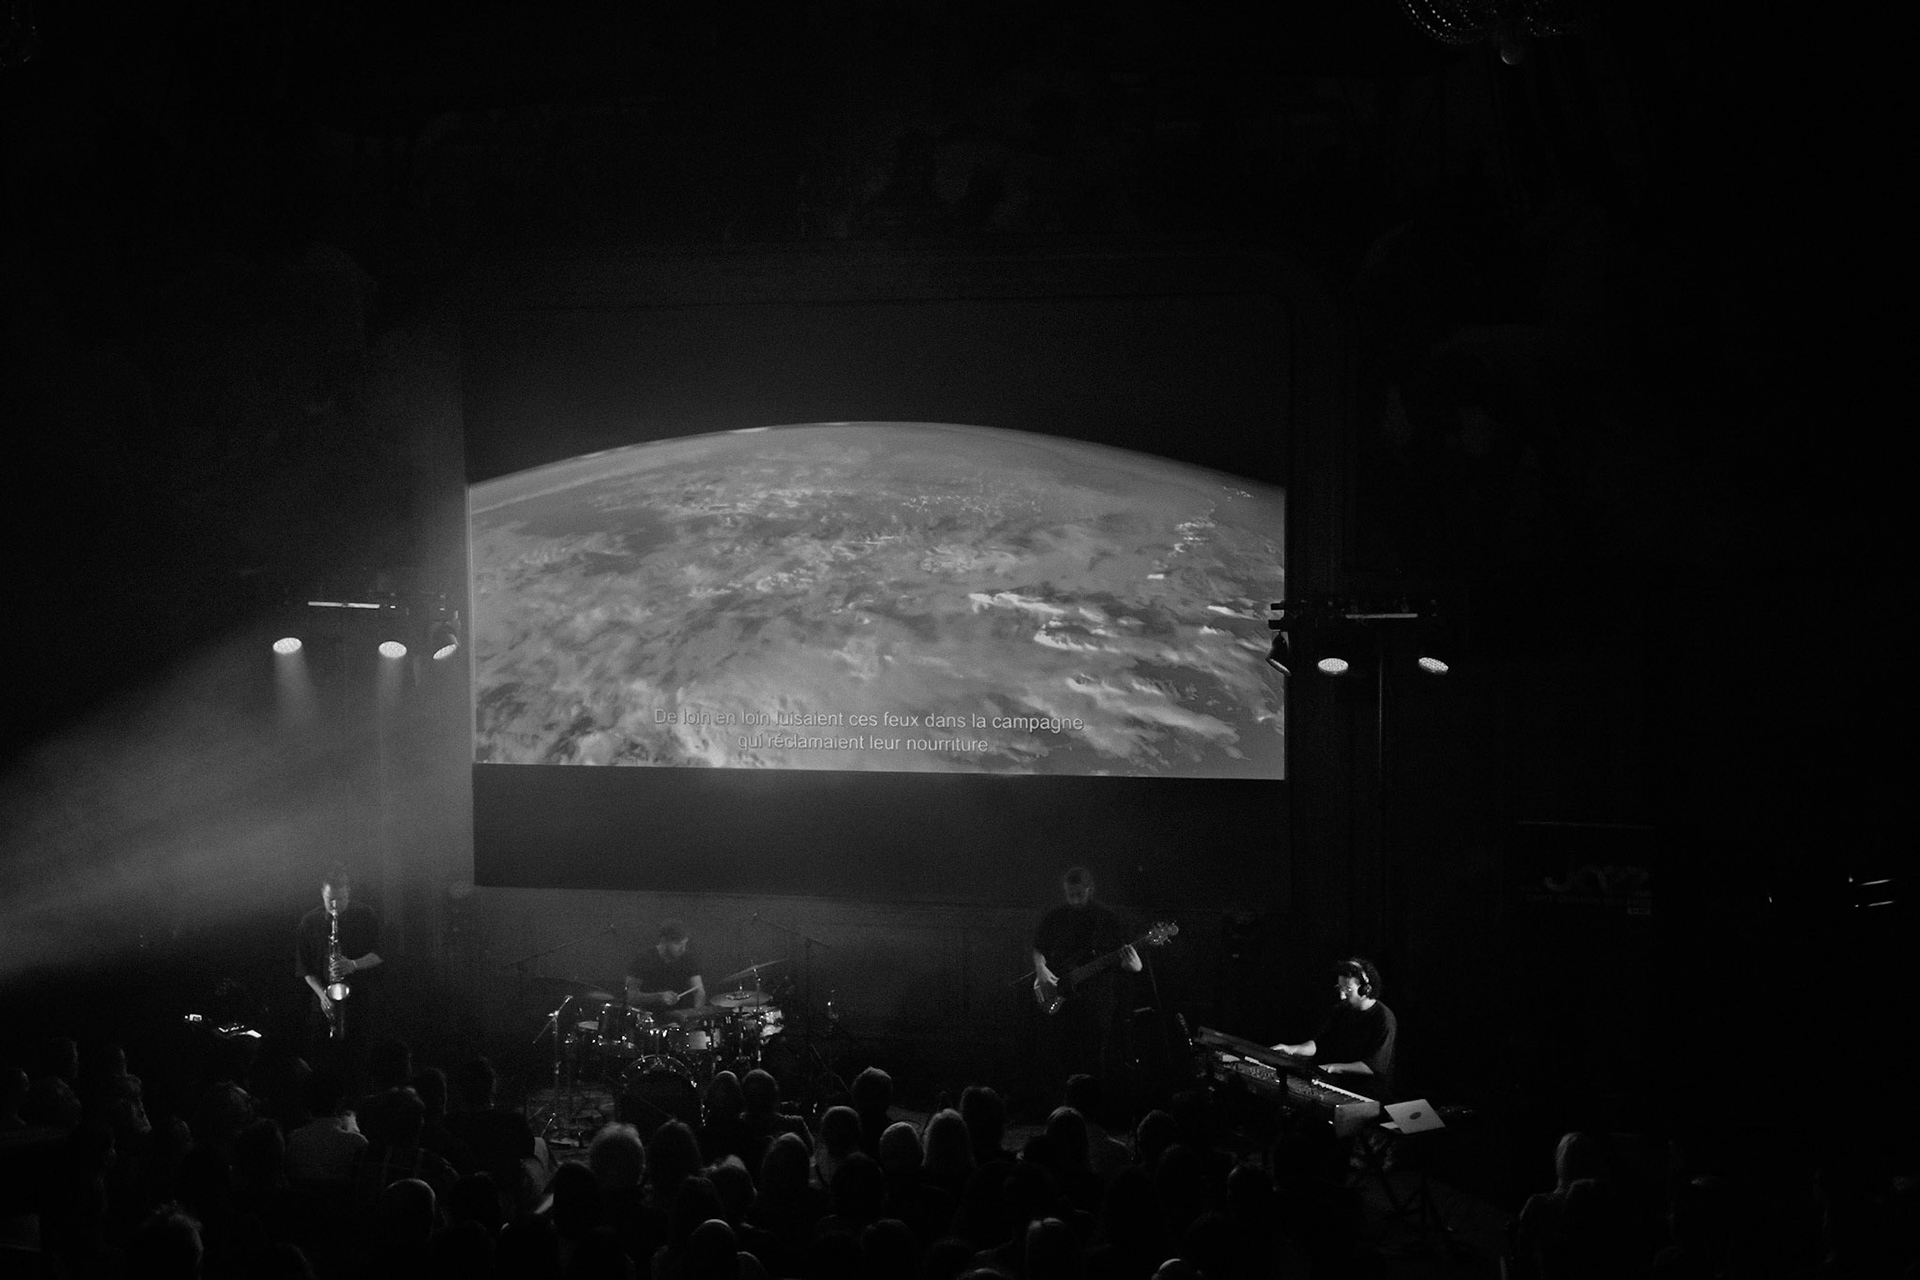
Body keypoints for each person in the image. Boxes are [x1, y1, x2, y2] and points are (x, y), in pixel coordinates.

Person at [1032, 867, 1141, 1096]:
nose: (1074, 900)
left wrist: (1134, 966)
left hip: (1097, 1001)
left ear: (1089, 890)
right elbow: (1038, 947)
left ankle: (1094, 1109)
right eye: (1069, 894)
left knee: (1095, 1057)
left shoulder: (1107, 919)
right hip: (1064, 1000)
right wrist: (1041, 969)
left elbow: (1121, 959)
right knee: (1062, 1056)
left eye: (1079, 894)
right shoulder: (1056, 917)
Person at [1269, 957, 1397, 1101]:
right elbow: (1319, 1044)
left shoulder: (1383, 1018)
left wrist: (1332, 1067)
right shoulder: (1341, 1011)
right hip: (1338, 1085)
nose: (1342, 996)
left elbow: (1373, 1066)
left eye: (1348, 989)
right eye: (1340, 988)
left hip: (1367, 1094)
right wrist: (1293, 1049)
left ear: (1366, 989)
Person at [295, 866, 383, 1062]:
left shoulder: (366, 916)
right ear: (322, 894)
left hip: (360, 1002)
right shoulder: (308, 923)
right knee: (323, 1058)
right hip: (324, 1004)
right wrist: (322, 995)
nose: (335, 905)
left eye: (341, 899)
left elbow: (380, 953)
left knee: (359, 1057)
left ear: (348, 892)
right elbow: (305, 968)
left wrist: (353, 964)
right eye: (329, 900)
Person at [625, 919, 707, 1015]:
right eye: (677, 944)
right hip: (650, 1018)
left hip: (681, 1018)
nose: (682, 949)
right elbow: (630, 996)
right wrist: (658, 997)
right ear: (664, 940)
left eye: (684, 944)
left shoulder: (688, 959)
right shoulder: (643, 959)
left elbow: (699, 991)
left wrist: (695, 1015)